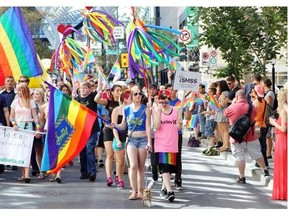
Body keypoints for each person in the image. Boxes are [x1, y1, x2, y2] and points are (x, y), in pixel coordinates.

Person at [113, 85, 152, 200]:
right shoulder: (126, 109)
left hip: (143, 139)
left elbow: (148, 127)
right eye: (135, 94)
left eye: (140, 94)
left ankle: (140, 191)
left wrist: (149, 142)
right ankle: (133, 191)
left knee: (141, 166)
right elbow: (123, 125)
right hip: (131, 140)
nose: (138, 96)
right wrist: (114, 125)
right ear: (131, 95)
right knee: (133, 165)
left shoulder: (145, 109)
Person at [224, 89, 270, 184]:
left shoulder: (232, 107)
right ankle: (265, 170)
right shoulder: (252, 107)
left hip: (236, 137)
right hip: (251, 135)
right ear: (245, 97)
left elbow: (225, 115)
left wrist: (233, 103)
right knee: (257, 154)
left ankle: (242, 177)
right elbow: (255, 116)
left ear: (236, 97)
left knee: (240, 157)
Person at [152, 91, 182, 202]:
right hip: (161, 144)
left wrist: (179, 123)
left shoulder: (176, 110)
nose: (163, 105)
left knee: (168, 169)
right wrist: (159, 113)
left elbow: (178, 128)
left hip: (172, 143)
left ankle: (164, 189)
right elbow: (156, 126)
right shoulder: (156, 111)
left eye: (165, 102)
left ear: (168, 100)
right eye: (160, 102)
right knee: (164, 167)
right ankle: (170, 191)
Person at [10, 83, 41, 183]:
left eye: (20, 90)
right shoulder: (15, 102)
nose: (18, 92)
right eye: (17, 90)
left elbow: (35, 116)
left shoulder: (31, 102)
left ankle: (27, 174)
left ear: (25, 91)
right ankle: (23, 174)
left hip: (28, 127)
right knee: (19, 151)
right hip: (18, 128)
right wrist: (14, 123)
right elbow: (11, 116)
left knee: (27, 151)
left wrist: (38, 128)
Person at [94, 84, 122, 186]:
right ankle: (109, 177)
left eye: (120, 90)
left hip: (121, 130)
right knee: (110, 154)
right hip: (109, 129)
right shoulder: (109, 102)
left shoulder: (124, 103)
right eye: (117, 90)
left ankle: (118, 176)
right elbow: (96, 99)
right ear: (113, 92)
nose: (119, 93)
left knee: (119, 157)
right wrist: (102, 90)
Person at [75, 81, 100, 182]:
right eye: (81, 88)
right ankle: (84, 172)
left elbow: (99, 91)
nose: (83, 90)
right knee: (82, 151)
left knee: (90, 149)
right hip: (81, 129)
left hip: (92, 128)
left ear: (89, 89)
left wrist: (99, 74)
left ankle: (92, 172)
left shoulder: (92, 97)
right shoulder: (76, 100)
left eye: (85, 88)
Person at [111, 89, 132, 189]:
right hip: (119, 138)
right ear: (125, 99)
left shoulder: (133, 110)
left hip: (130, 138)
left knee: (129, 161)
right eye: (130, 98)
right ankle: (120, 179)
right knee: (120, 161)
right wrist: (118, 140)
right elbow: (114, 126)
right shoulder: (116, 110)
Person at [269, 89, 287, 201]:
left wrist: (274, 123)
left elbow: (284, 129)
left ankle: (283, 191)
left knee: (282, 167)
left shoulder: (284, 111)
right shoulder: (284, 110)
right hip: (281, 141)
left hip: (283, 141)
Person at [250, 84, 269, 168]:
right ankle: (265, 162)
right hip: (263, 125)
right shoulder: (264, 101)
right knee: (263, 145)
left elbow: (252, 115)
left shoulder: (255, 102)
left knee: (258, 146)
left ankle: (259, 163)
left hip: (257, 126)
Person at [215, 80, 230, 152]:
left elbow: (223, 104)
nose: (217, 87)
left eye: (218, 86)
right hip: (219, 113)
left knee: (225, 130)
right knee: (221, 130)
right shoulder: (221, 93)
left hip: (223, 113)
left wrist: (215, 103)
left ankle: (226, 145)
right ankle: (224, 144)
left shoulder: (224, 93)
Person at [263, 77, 276, 159]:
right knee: (267, 135)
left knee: (268, 135)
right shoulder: (268, 93)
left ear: (264, 84)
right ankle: (268, 152)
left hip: (268, 116)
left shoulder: (269, 94)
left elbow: (268, 105)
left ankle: (268, 153)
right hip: (267, 115)